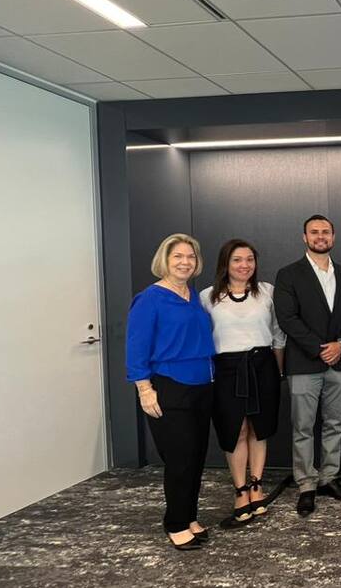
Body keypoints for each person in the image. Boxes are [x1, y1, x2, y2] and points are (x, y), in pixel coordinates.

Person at [126, 233, 216, 550]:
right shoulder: (149, 299)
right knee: (179, 459)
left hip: (202, 386)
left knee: (195, 457)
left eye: (190, 257)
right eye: (178, 256)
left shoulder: (193, 296)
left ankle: (189, 516)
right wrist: (144, 389)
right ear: (164, 260)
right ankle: (175, 523)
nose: (185, 262)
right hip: (169, 386)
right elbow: (136, 347)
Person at [273, 215, 341, 517]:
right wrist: (320, 348)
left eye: (325, 232)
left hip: (340, 361)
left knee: (335, 423)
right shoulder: (288, 275)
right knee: (303, 427)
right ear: (304, 237)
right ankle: (306, 484)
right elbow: (287, 318)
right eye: (314, 232)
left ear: (333, 237)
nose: (320, 236)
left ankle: (329, 477)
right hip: (303, 363)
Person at [199, 239, 285, 525]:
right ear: (225, 263)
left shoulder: (267, 292)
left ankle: (257, 485)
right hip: (226, 369)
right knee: (235, 430)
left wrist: (278, 371)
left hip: (263, 366)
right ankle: (240, 489)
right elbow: (202, 337)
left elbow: (277, 334)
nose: (244, 265)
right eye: (237, 260)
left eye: (250, 259)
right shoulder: (207, 297)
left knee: (259, 429)